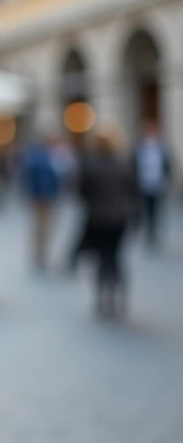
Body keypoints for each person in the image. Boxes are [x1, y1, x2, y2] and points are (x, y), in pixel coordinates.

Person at [78, 128, 140, 318]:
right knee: (116, 256)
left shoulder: (91, 166)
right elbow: (134, 192)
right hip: (120, 219)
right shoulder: (124, 165)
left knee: (102, 257)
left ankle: (102, 294)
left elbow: (82, 191)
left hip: (98, 217)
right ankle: (117, 292)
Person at [20, 133, 62, 271]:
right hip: (41, 197)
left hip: (46, 197)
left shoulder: (50, 156)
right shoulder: (39, 157)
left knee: (44, 228)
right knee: (41, 228)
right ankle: (40, 255)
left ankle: (42, 255)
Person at [134, 119, 172, 249]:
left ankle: (153, 234)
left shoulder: (162, 148)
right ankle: (147, 233)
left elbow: (168, 165)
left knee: (156, 211)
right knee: (145, 210)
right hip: (143, 184)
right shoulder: (139, 148)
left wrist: (167, 180)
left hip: (157, 184)